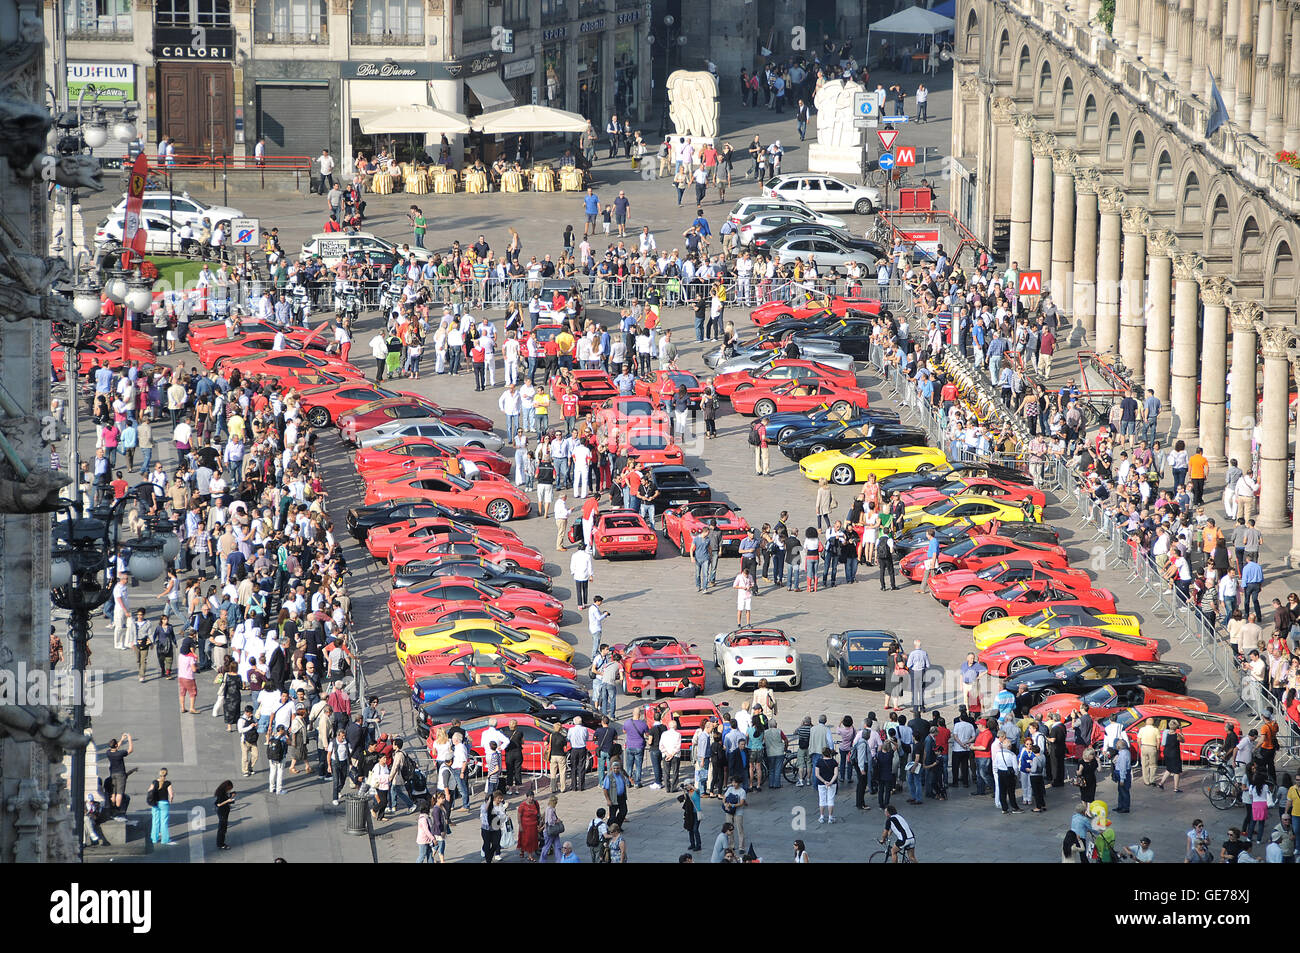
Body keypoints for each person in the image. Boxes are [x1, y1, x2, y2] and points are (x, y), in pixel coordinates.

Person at [146, 768, 173, 846]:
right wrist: (170, 801)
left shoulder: (154, 782)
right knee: (164, 822)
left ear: (159, 773)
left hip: (155, 804)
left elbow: (149, 791)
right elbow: (171, 795)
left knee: (155, 821)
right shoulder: (168, 783)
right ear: (166, 774)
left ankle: (154, 838)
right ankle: (165, 840)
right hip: (164, 804)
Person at [214, 780, 235, 850]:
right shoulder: (221, 794)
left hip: (224, 811)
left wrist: (231, 796)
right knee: (222, 829)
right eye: (230, 789)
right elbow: (219, 804)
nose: (230, 790)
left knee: (223, 827)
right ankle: (220, 844)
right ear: (227, 787)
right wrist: (228, 801)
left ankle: (220, 843)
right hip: (222, 812)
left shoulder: (223, 791)